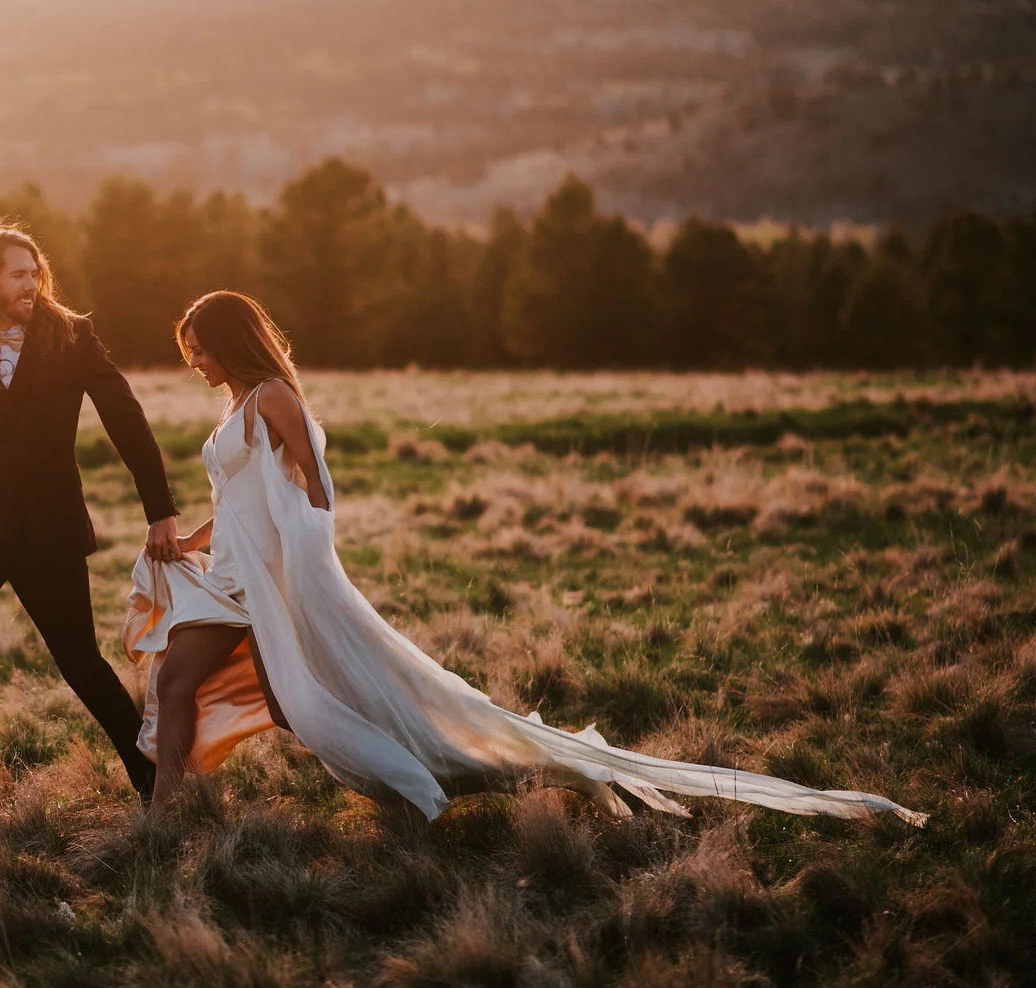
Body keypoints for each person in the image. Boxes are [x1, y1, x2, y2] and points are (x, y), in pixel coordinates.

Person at [123, 289, 927, 828]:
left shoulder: (272, 399)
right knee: (207, 683)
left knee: (289, 698)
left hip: (266, 583)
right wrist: (184, 540)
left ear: (228, 341)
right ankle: (176, 806)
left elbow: (318, 490)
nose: (194, 361)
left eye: (199, 347)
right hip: (231, 578)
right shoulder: (236, 405)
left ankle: (419, 781)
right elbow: (237, 503)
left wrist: (302, 563)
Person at [0, 223, 182, 846]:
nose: (32, 283)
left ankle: (152, 787)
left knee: (80, 663)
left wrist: (159, 509)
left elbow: (125, 420)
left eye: (35, 271)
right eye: (18, 274)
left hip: (49, 531)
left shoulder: (71, 336)